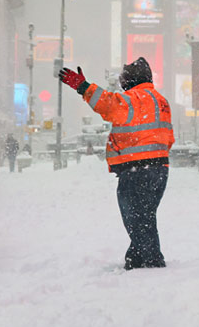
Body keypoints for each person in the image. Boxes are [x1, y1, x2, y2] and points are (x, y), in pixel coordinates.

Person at [59, 57, 174, 270]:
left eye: (125, 77)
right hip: (159, 169)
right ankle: (137, 256)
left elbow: (107, 104)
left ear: (131, 79)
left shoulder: (132, 99)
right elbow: (168, 137)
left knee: (135, 217)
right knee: (144, 217)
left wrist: (83, 87)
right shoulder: (160, 100)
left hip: (137, 169)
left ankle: (151, 261)